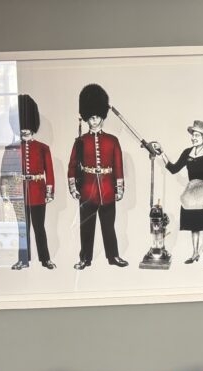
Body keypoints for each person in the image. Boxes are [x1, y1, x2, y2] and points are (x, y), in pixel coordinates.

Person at [67, 84, 128, 269]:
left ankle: (113, 256)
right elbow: (72, 166)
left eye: (97, 117)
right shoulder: (80, 141)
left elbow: (118, 166)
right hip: (87, 190)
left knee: (109, 227)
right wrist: (73, 187)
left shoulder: (112, 140)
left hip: (108, 190)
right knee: (87, 228)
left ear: (102, 116)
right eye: (91, 118)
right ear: (87, 118)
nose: (94, 121)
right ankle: (85, 258)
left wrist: (119, 189)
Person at [1, 95, 56, 270]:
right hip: (18, 192)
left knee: (39, 228)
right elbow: (5, 172)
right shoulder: (11, 148)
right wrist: (4, 190)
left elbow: (50, 173)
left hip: (38, 192)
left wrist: (49, 192)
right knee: (22, 229)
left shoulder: (42, 148)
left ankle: (45, 259)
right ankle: (23, 259)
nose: (24, 129)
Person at [158, 120, 203, 265]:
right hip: (193, 193)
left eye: (197, 135)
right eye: (193, 135)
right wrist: (162, 153)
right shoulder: (188, 152)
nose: (193, 138)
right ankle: (195, 253)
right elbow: (174, 169)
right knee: (194, 223)